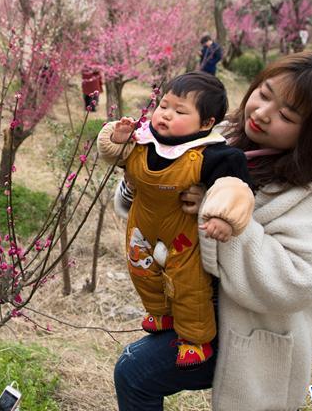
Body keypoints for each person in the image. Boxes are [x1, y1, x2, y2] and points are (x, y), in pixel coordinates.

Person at [113, 51, 312, 411]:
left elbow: (297, 279)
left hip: (251, 330)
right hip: (195, 305)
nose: (261, 113)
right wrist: (138, 183)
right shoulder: (220, 136)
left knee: (137, 371)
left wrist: (220, 215)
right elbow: (156, 205)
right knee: (135, 372)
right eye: (264, 93)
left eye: (287, 115)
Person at [97, 72, 255, 369]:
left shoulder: (213, 155)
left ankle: (196, 340)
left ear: (206, 123)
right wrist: (116, 138)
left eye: (180, 111)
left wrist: (223, 216)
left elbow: (234, 187)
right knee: (140, 268)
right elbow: (114, 155)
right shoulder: (143, 138)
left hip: (182, 231)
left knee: (188, 283)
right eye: (164, 105)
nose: (166, 115)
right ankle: (159, 313)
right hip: (143, 223)